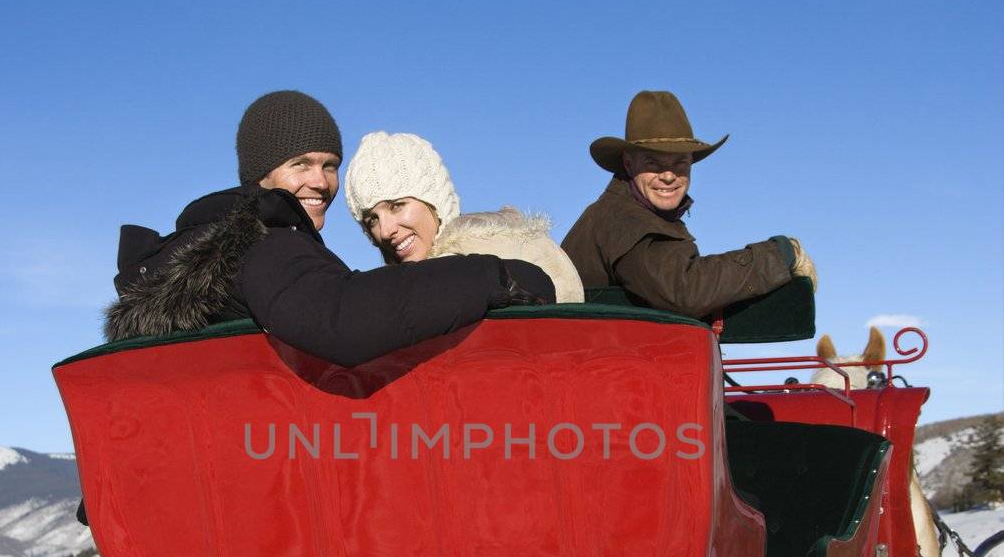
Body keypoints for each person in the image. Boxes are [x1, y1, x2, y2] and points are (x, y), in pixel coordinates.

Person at [104, 91, 555, 364]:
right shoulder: (264, 242)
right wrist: (498, 276)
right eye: (300, 164)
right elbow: (338, 319)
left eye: (330, 166)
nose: (320, 182)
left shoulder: (188, 256)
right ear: (260, 175)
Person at [561, 90, 815, 318]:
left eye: (680, 163)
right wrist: (780, 254)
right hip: (600, 362)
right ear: (629, 163)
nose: (669, 175)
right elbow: (684, 292)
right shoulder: (625, 220)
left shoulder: (628, 212)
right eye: (653, 163)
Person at [344, 131, 584, 302]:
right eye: (372, 220)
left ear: (434, 201)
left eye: (396, 206)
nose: (385, 232)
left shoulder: (488, 259)